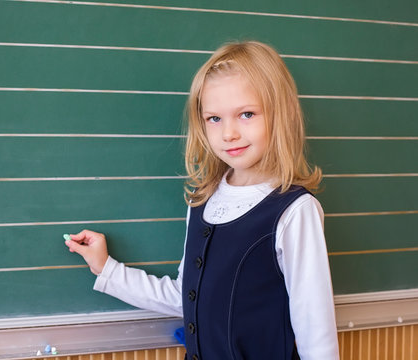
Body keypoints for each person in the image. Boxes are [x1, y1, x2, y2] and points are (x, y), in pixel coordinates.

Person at [64, 41, 339, 360]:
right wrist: (105, 268)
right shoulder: (204, 202)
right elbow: (187, 296)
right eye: (214, 119)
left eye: (246, 114)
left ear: (281, 114)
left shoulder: (294, 211)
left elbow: (315, 329)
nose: (229, 133)